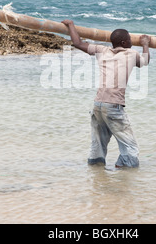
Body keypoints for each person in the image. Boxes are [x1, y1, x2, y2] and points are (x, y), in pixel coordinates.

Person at [61, 20, 151, 168]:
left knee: (98, 145)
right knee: (130, 147)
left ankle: (97, 175)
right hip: (113, 106)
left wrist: (71, 25)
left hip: (98, 104)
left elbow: (77, 43)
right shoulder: (131, 53)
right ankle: (125, 178)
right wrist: (145, 43)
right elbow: (145, 62)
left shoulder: (102, 51)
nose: (131, 42)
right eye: (129, 39)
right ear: (124, 42)